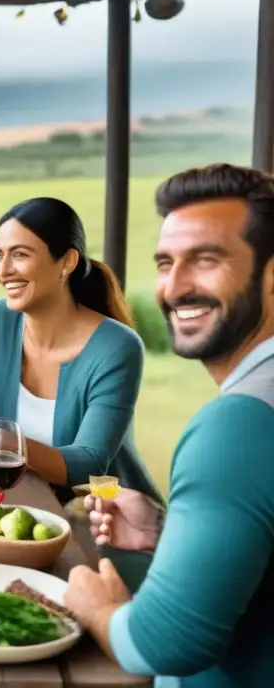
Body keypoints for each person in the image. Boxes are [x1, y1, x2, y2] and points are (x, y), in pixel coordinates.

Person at [64, 164, 274, 687]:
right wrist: (168, 529)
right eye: (165, 262)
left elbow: (164, 644)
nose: (175, 288)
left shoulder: (239, 425)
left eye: (206, 260)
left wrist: (94, 606)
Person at [0, 197, 159, 500]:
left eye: (20, 255)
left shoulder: (117, 347)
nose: (3, 270)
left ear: (67, 262)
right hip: (10, 500)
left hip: (98, 518)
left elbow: (88, 463)